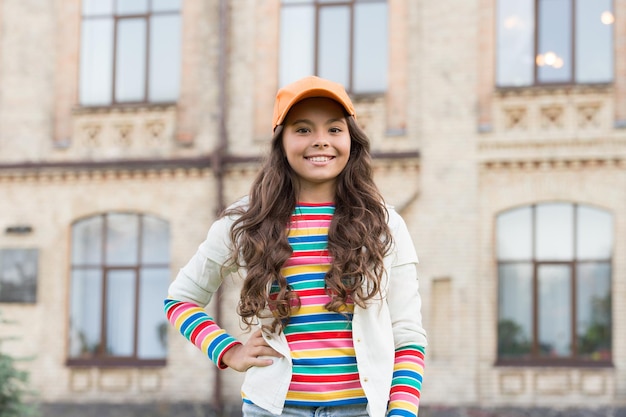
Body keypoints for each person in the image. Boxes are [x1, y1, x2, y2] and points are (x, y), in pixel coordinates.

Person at [164, 76, 427, 417]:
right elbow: (180, 300)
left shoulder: (385, 225)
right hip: (274, 409)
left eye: (334, 129)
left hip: (361, 410)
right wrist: (229, 352)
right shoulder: (245, 222)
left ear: (351, 140)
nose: (321, 141)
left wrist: (403, 412)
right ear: (281, 142)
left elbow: (407, 334)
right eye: (303, 129)